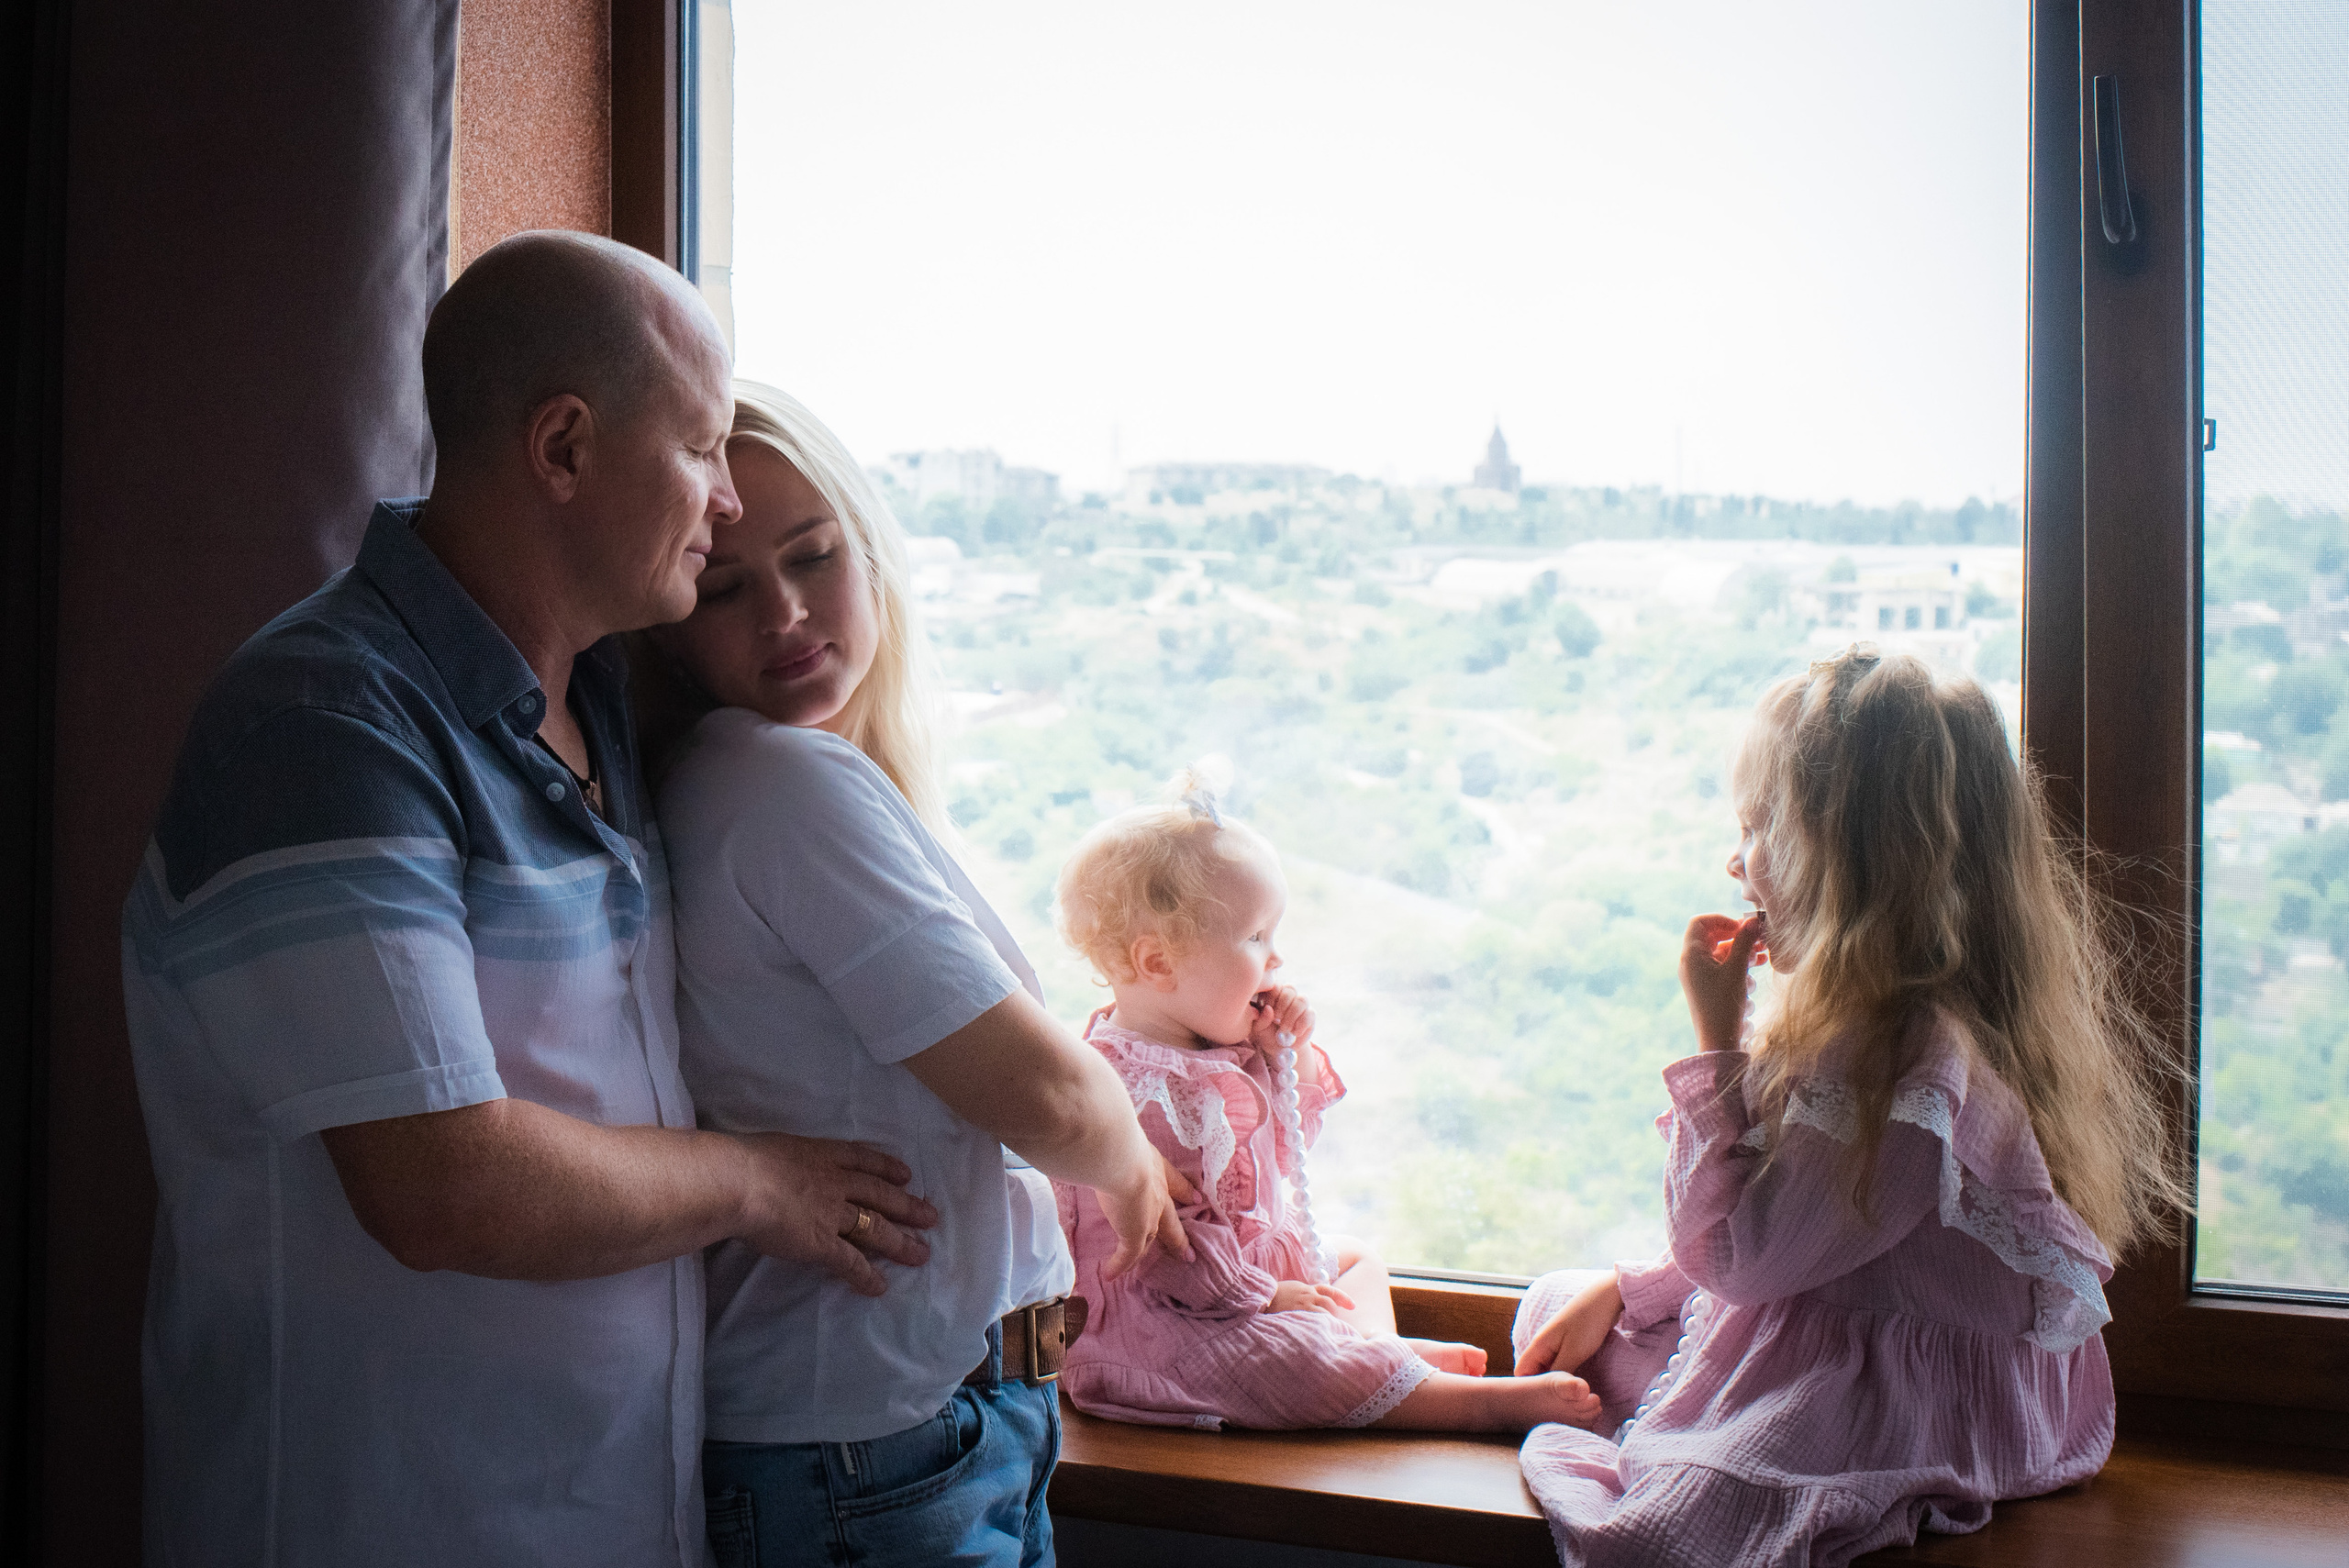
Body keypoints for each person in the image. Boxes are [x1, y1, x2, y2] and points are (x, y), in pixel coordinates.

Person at [122, 233, 940, 1568]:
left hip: (612, 1515)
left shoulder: (606, 698)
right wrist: (754, 1180)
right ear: (562, 450)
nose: (727, 502)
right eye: (700, 449)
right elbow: (441, 1185)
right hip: (372, 1519)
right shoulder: (326, 724)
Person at [640, 381, 1188, 1568]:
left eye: (814, 556)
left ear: (870, 554)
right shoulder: (784, 787)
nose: (786, 612)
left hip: (896, 1437)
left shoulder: (734, 782)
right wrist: (1135, 1162)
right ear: (671, 615)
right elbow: (1042, 1097)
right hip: (876, 1459)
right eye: (727, 586)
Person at [1509, 647, 2188, 1568]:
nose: (1733, 859)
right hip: (1860, 1333)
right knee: (1563, 1308)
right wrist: (1632, 1290)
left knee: (1661, 1526)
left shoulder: (1897, 1066)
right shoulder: (1924, 1021)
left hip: (1889, 1404)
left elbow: (1741, 1257)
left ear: (1839, 859)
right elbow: (1798, 1234)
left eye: (1754, 826)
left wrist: (1718, 1045)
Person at [1047, 775, 1606, 1433]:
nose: (1276, 956)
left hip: (1243, 1272)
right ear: (1159, 962)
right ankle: (1462, 1405)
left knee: (1357, 1259)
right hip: (1168, 1323)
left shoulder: (1212, 1043)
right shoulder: (1129, 1093)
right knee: (1289, 1360)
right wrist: (1272, 1298)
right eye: (1256, 937)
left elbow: (1292, 1134)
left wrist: (1288, 1050)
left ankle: (1383, 1359)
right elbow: (1173, 1253)